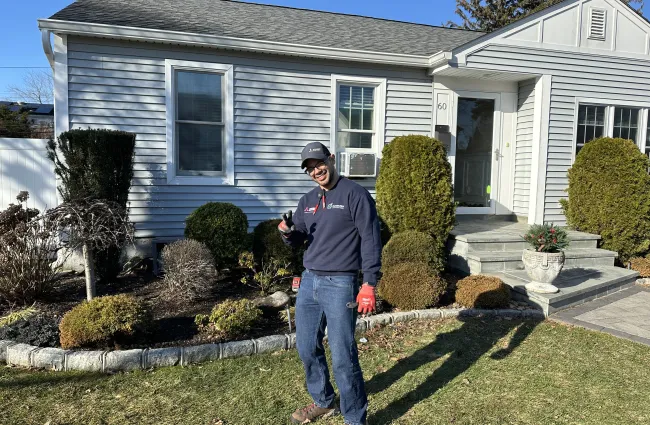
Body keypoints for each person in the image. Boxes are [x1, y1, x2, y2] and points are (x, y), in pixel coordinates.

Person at [278, 142, 382, 425]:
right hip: (310, 279)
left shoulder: (355, 195)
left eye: (319, 163)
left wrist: (369, 283)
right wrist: (287, 233)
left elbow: (371, 240)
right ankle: (324, 401)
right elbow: (300, 238)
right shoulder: (308, 200)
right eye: (309, 168)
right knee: (306, 347)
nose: (316, 170)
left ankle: (354, 418)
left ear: (331, 159)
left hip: (341, 283)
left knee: (342, 355)